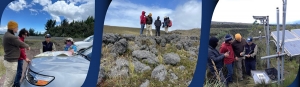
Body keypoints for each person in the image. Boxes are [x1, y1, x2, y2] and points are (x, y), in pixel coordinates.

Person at [2, 20, 30, 87]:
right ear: (13, 28)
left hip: (9, 61)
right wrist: (28, 47)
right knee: (9, 81)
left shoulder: (7, 35)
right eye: (17, 27)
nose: (17, 28)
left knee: (10, 80)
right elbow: (21, 44)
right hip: (11, 62)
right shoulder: (11, 37)